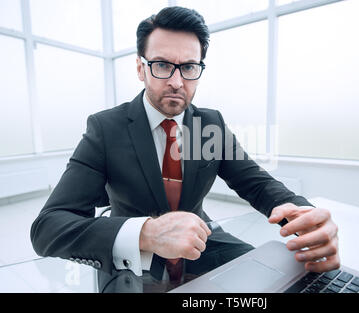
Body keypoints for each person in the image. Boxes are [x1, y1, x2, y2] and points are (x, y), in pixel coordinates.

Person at [30, 6, 339, 292]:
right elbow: (48, 227)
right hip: (134, 257)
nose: (177, 81)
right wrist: (146, 234)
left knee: (286, 284)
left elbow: (256, 183)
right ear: (141, 68)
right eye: (162, 64)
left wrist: (304, 215)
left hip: (203, 245)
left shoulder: (210, 124)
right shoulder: (105, 128)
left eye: (189, 66)